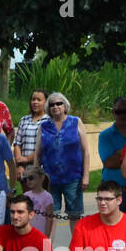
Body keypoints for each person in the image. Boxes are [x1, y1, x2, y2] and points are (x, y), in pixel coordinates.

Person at [33, 92, 88, 240]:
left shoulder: (76, 122)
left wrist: (86, 175)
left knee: (75, 215)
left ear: (65, 106)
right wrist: (36, 177)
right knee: (51, 216)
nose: (55, 106)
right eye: (51, 104)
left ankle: (77, 249)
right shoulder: (43, 126)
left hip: (73, 178)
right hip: (51, 179)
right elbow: (38, 154)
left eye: (59, 103)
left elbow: (85, 151)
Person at [98, 97, 126, 210]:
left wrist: (119, 154)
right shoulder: (105, 135)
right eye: (118, 112)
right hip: (112, 191)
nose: (122, 115)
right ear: (113, 113)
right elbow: (109, 163)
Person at [13, 90, 48, 186]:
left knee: (41, 198)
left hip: (41, 168)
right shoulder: (24, 120)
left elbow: (45, 146)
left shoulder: (49, 121)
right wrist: (19, 164)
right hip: (24, 169)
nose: (35, 102)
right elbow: (17, 143)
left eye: (39, 100)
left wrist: (27, 159)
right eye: (33, 99)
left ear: (46, 102)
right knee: (27, 198)